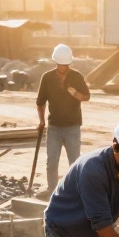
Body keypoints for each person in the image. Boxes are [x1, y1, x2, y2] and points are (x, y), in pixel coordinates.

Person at [36, 44, 91, 195]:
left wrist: (76, 95)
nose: (64, 68)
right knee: (52, 161)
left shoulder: (77, 76)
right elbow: (40, 102)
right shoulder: (47, 78)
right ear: (55, 62)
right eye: (61, 65)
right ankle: (52, 189)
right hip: (54, 127)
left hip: (73, 127)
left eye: (67, 65)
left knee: (74, 162)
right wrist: (41, 121)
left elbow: (87, 96)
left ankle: (75, 191)